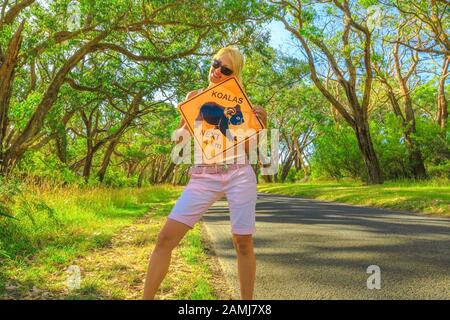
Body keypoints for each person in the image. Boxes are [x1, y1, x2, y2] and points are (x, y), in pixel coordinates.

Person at [142, 46, 267, 300]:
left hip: (238, 174)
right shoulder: (194, 97)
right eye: (215, 64)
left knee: (242, 242)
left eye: (225, 69)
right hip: (203, 176)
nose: (217, 71)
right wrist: (182, 121)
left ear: (235, 74)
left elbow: (248, 149)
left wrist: (261, 126)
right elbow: (179, 142)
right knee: (165, 238)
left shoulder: (242, 105)